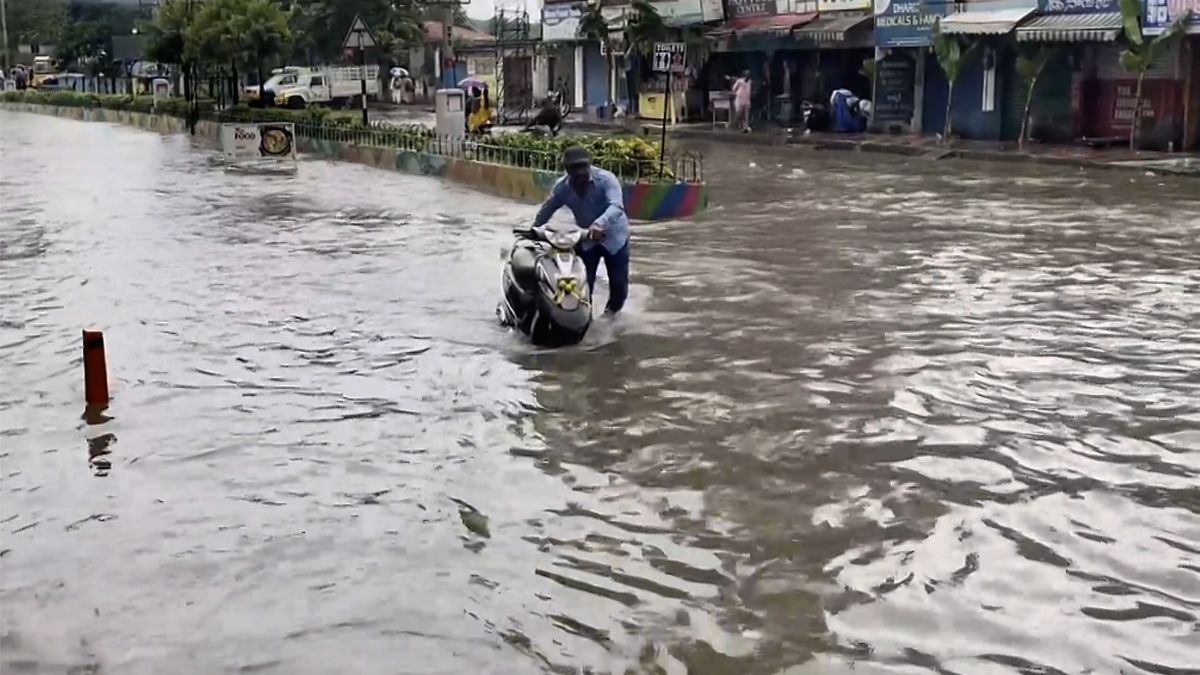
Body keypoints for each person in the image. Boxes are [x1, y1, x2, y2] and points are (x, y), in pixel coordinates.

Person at [533, 146, 630, 315]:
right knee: (582, 282)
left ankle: (611, 316)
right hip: (587, 239)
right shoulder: (562, 187)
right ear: (567, 169)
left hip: (614, 238)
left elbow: (616, 206)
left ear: (589, 165)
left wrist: (599, 224)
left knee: (619, 284)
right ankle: (585, 316)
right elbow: (548, 208)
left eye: (583, 167)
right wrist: (534, 229)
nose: (579, 172)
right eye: (574, 168)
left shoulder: (606, 180)